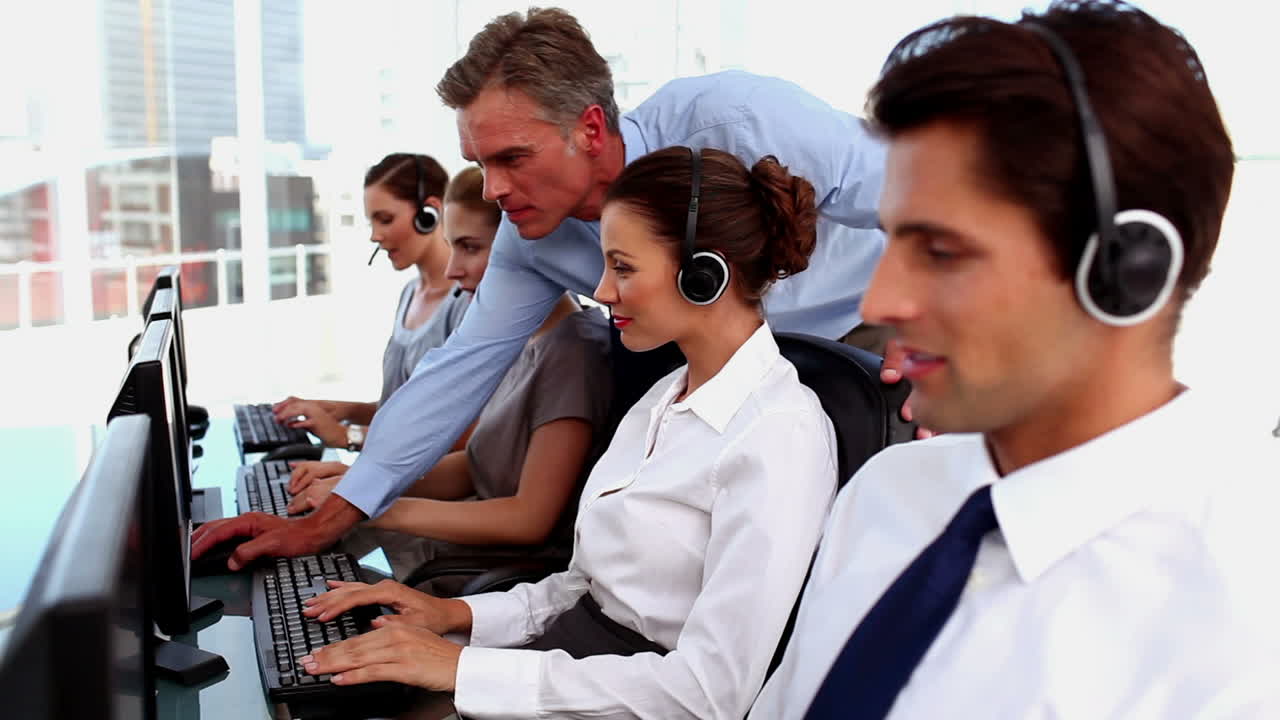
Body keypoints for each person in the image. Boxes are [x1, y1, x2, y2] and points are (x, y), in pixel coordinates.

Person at [191, 6, 909, 570]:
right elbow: (456, 373)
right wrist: (329, 519)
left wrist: (930, 327)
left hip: (866, 323)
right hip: (731, 362)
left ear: (590, 129)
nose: (495, 189)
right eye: (480, 161)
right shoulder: (531, 235)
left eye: (513, 158)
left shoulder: (735, 118)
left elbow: (915, 202)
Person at [750, 2, 1280, 718]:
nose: (878, 302)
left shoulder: (1243, 620)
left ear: (1127, 271)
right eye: (892, 239)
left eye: (940, 252)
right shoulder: (883, 496)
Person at [291, 148, 839, 719]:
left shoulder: (780, 436)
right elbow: (582, 589)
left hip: (629, 698)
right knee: (328, 692)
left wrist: (463, 669)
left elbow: (707, 693)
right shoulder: (663, 399)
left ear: (706, 274)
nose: (601, 291)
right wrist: (455, 617)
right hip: (574, 666)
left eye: (623, 267)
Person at [287, 166, 614, 585]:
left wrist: (378, 506)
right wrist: (358, 486)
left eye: (471, 248)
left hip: (494, 575)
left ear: (526, 247)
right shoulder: (514, 341)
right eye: (452, 248)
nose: (454, 270)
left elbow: (528, 519)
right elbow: (473, 467)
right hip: (463, 548)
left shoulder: (575, 351)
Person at [271, 153, 469, 450]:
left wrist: (348, 436)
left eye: (385, 219)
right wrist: (340, 410)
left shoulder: (464, 302)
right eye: (372, 222)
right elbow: (403, 412)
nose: (375, 236)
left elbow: (458, 433)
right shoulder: (410, 293)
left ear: (430, 213)